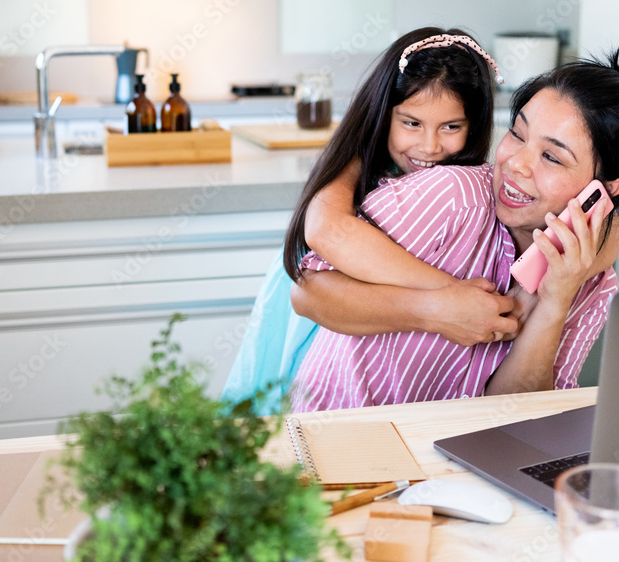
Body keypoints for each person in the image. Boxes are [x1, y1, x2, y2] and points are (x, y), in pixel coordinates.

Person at [290, 49, 619, 412]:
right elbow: (309, 291)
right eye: (517, 134)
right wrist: (435, 308)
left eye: (551, 156)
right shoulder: (451, 196)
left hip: (444, 469)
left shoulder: (588, 277)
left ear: (606, 190)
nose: (515, 164)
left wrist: (553, 302)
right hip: (337, 446)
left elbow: (516, 413)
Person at [223, 27, 565, 413]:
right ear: (384, 113)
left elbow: (608, 232)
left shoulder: (474, 189)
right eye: (411, 123)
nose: (430, 146)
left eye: (451, 127)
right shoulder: (358, 169)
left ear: (475, 124)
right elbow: (326, 236)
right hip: (321, 343)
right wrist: (449, 296)